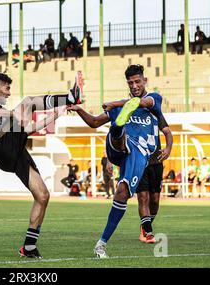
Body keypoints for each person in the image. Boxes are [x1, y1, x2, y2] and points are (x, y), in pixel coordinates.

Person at [0, 71, 83, 259]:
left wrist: (56, 113)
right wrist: (14, 114)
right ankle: (69, 97)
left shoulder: (7, 117)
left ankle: (29, 247)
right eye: (6, 88)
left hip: (13, 153)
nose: (8, 93)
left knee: (43, 195)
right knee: (28, 102)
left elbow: (29, 128)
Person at [67, 64, 166, 258]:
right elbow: (94, 122)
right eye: (130, 83)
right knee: (118, 130)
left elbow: (144, 105)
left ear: (144, 81)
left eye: (137, 81)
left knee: (121, 195)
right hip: (120, 149)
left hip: (140, 156)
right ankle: (118, 129)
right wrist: (79, 109)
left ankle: (101, 244)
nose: (134, 85)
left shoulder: (154, 100)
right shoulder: (121, 107)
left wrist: (114, 104)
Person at [136, 111, 173, 244]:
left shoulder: (155, 112)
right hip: (139, 162)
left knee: (155, 201)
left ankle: (145, 226)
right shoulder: (131, 114)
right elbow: (117, 133)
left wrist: (168, 148)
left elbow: (167, 132)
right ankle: (148, 233)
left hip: (156, 162)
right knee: (143, 197)